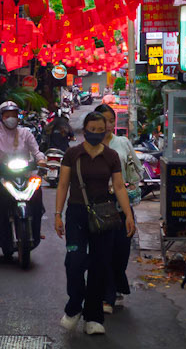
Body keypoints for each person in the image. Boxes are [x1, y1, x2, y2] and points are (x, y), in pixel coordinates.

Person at [54, 108, 135, 335]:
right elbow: (62, 185)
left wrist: (128, 215)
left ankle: (94, 317)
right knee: (75, 261)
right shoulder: (73, 154)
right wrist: (57, 214)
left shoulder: (111, 156)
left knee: (100, 266)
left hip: (104, 216)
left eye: (101, 130)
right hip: (76, 215)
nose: (96, 133)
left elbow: (118, 187)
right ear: (84, 130)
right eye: (92, 129)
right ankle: (74, 306)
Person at [0, 98, 45, 247]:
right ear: (1, 117)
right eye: (7, 115)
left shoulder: (26, 134)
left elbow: (36, 151)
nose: (11, 118)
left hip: (25, 174)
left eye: (13, 115)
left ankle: (35, 228)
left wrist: (41, 160)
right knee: (0, 199)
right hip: (3, 175)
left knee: (37, 195)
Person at [95, 102, 143, 303]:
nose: (108, 125)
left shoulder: (122, 143)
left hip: (121, 203)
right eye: (104, 120)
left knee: (122, 249)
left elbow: (135, 170)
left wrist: (131, 188)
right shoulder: (90, 146)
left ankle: (115, 283)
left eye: (111, 121)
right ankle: (107, 292)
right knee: (103, 250)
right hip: (98, 206)